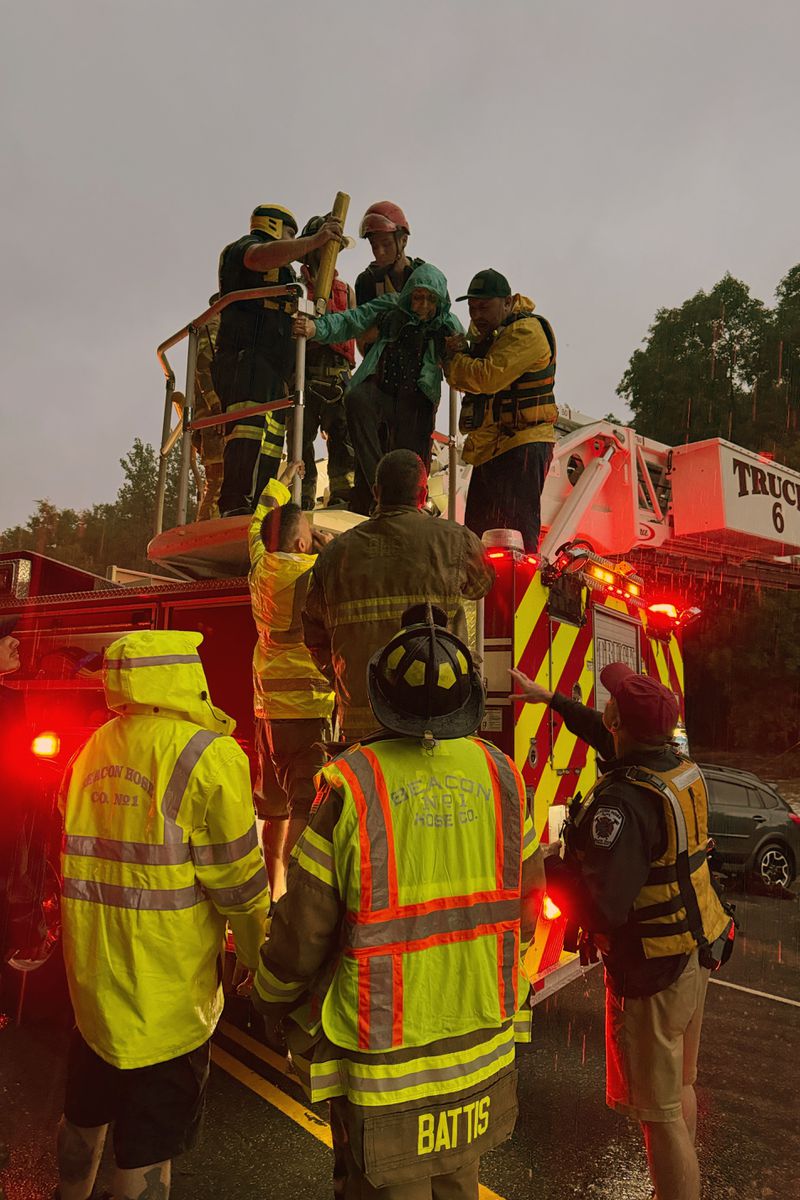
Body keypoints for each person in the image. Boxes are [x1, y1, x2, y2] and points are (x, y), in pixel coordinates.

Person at [253, 604, 546, 1199]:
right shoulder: (504, 776)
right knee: (458, 1182)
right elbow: (526, 911)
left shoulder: (352, 782)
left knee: (382, 1186)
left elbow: (304, 932)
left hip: (382, 1064)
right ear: (466, 697)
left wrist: (269, 992)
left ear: (379, 695)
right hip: (475, 1047)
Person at [55, 630, 269, 1200]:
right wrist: (255, 959)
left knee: (82, 1120)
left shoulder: (91, 747)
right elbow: (242, 886)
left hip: (93, 997)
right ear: (185, 678)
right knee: (147, 1154)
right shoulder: (209, 755)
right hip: (167, 1005)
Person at [509, 661, 732, 1200]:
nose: (603, 709)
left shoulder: (623, 803)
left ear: (620, 723)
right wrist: (550, 700)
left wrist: (545, 868)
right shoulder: (675, 769)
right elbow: (605, 734)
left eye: (608, 706)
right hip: (696, 951)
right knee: (678, 1090)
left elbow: (605, 908)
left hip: (651, 972)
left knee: (657, 1118)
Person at [302, 449, 494, 743]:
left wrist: (343, 680)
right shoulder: (456, 540)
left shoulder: (334, 556)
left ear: (376, 492)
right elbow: (483, 584)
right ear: (423, 493)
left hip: (362, 726)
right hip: (438, 721)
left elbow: (314, 635)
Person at [293, 263, 463, 514]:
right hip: (381, 391)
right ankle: (377, 488)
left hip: (416, 401)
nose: (423, 305)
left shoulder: (449, 325)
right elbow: (353, 320)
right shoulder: (390, 306)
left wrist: (456, 349)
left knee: (412, 462)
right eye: (418, 297)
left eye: (430, 299)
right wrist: (316, 328)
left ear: (440, 301)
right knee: (356, 399)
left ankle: (409, 509)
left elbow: (466, 358)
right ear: (409, 295)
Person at [213, 204, 343, 516]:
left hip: (274, 369)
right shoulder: (242, 249)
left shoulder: (285, 272)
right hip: (247, 360)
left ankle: (261, 503)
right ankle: (235, 504)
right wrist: (312, 241)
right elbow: (258, 257)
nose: (292, 242)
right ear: (273, 226)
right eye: (289, 234)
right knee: (248, 430)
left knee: (271, 441)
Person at [248, 461, 335, 900]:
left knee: (274, 812)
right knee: (305, 806)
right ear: (303, 541)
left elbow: (256, 528)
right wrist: (330, 544)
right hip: (308, 715)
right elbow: (345, 567)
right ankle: (298, 902)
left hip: (268, 717)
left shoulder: (260, 569)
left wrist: (276, 487)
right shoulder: (313, 573)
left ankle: (274, 893)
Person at [444, 269, 558, 552]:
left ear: (507, 302)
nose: (476, 315)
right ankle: (484, 596)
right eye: (471, 308)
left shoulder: (526, 331)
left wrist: (454, 359)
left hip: (522, 445)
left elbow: (486, 377)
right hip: (493, 449)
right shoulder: (493, 335)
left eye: (484, 307)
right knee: (478, 539)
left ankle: (518, 595)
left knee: (514, 540)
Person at [292, 216, 356, 509]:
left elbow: (356, 327)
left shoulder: (347, 290)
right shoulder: (294, 288)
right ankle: (303, 494)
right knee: (300, 441)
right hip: (304, 375)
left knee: (342, 439)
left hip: (338, 378)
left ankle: (343, 494)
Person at [172, 296, 225, 521]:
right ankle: (204, 533)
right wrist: (216, 407)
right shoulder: (214, 324)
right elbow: (204, 364)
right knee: (218, 483)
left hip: (213, 417)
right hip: (215, 418)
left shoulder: (217, 325)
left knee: (218, 483)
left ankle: (205, 529)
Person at [353, 200, 425, 351]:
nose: (379, 252)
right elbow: (362, 337)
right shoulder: (367, 281)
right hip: (381, 368)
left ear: (403, 240)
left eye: (386, 244)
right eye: (374, 245)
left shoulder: (425, 277)